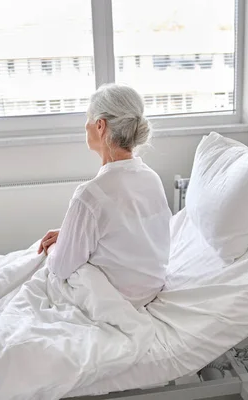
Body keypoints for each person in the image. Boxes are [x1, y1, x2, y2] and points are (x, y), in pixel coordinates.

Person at [38, 84, 171, 308]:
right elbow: (129, 232)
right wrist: (71, 233)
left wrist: (54, 248)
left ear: (100, 125)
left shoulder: (91, 194)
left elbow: (60, 268)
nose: (85, 125)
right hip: (150, 290)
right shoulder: (151, 177)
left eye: (88, 118)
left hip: (116, 298)